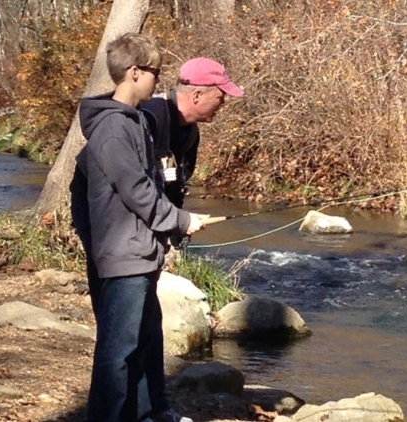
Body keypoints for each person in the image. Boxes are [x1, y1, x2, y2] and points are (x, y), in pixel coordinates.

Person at [70, 32, 208, 422]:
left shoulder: (136, 123)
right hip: (122, 256)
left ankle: (145, 413)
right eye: (155, 72)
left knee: (142, 342)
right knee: (118, 352)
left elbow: (149, 188)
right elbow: (137, 191)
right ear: (133, 72)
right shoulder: (113, 129)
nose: (159, 81)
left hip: (139, 252)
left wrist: (170, 231)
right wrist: (181, 221)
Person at [141, 57, 244, 210]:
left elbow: (179, 180)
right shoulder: (148, 116)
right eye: (220, 97)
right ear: (197, 95)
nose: (223, 103)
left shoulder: (191, 133)